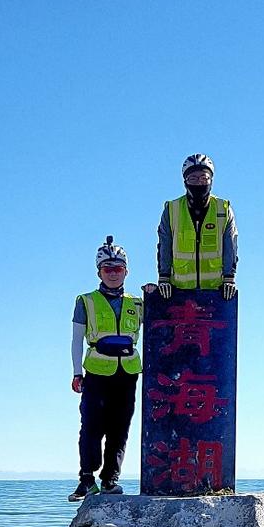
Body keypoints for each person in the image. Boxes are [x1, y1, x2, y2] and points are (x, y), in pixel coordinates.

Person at [69, 238, 143, 502]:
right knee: (91, 425)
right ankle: (86, 479)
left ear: (126, 271)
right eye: (107, 268)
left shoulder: (139, 302)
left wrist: (157, 293)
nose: (113, 273)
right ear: (99, 271)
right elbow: (77, 338)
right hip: (97, 371)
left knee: (120, 427)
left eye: (118, 268)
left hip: (128, 371)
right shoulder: (85, 301)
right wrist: (77, 372)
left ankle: (110, 479)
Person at [156, 153, 238, 297]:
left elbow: (230, 244)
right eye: (193, 178)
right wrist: (164, 277)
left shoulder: (223, 209)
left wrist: (229, 278)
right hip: (179, 290)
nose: (199, 183)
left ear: (211, 180)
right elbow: (164, 244)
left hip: (215, 292)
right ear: (185, 182)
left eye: (204, 178)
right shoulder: (172, 209)